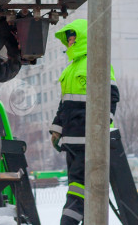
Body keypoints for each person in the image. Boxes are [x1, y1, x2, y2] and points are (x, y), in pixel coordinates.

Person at [50, 19, 120, 225]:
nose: (70, 41)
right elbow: (64, 105)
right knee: (77, 185)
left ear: (83, 38)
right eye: (69, 38)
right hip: (71, 142)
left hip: (88, 141)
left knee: (79, 187)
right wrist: (56, 130)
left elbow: (111, 96)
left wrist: (99, 130)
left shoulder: (97, 62)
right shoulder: (71, 69)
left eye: (73, 37)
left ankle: (68, 222)